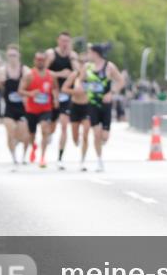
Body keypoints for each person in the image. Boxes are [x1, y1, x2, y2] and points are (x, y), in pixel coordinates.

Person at [76, 43, 124, 173]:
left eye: (89, 52)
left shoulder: (109, 67)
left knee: (104, 137)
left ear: (95, 53)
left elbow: (121, 81)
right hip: (92, 104)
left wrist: (112, 92)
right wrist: (80, 86)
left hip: (106, 105)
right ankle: (99, 160)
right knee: (96, 134)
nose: (88, 55)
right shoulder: (87, 67)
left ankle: (101, 145)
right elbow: (79, 80)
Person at [19, 51, 58, 169]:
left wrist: (56, 99)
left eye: (42, 59)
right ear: (34, 61)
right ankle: (33, 146)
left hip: (46, 108)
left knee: (45, 129)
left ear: (46, 61)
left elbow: (55, 88)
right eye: (38, 59)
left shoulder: (51, 75)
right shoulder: (29, 75)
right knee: (31, 134)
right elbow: (20, 91)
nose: (40, 61)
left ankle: (42, 157)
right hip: (32, 109)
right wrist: (30, 93)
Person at [46, 31, 76, 169]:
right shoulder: (51, 54)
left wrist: (73, 61)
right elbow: (42, 72)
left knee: (64, 126)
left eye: (67, 41)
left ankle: (60, 157)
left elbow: (78, 72)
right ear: (58, 40)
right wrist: (59, 74)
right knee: (51, 127)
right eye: (63, 40)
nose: (65, 44)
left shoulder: (72, 55)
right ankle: (48, 136)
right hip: (52, 93)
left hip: (66, 94)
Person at [0, 44, 30, 168]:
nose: (12, 58)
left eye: (14, 55)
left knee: (24, 135)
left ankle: (24, 156)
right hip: (9, 107)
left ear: (19, 56)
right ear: (7, 56)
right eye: (10, 55)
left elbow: (31, 82)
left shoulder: (25, 70)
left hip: (22, 107)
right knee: (10, 130)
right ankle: (14, 158)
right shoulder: (3, 71)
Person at [62, 52, 92, 171]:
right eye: (82, 62)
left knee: (86, 133)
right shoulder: (74, 75)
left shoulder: (91, 76)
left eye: (86, 62)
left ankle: (83, 161)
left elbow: (99, 88)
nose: (84, 65)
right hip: (75, 106)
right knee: (75, 138)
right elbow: (64, 88)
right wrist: (75, 92)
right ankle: (76, 140)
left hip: (87, 107)